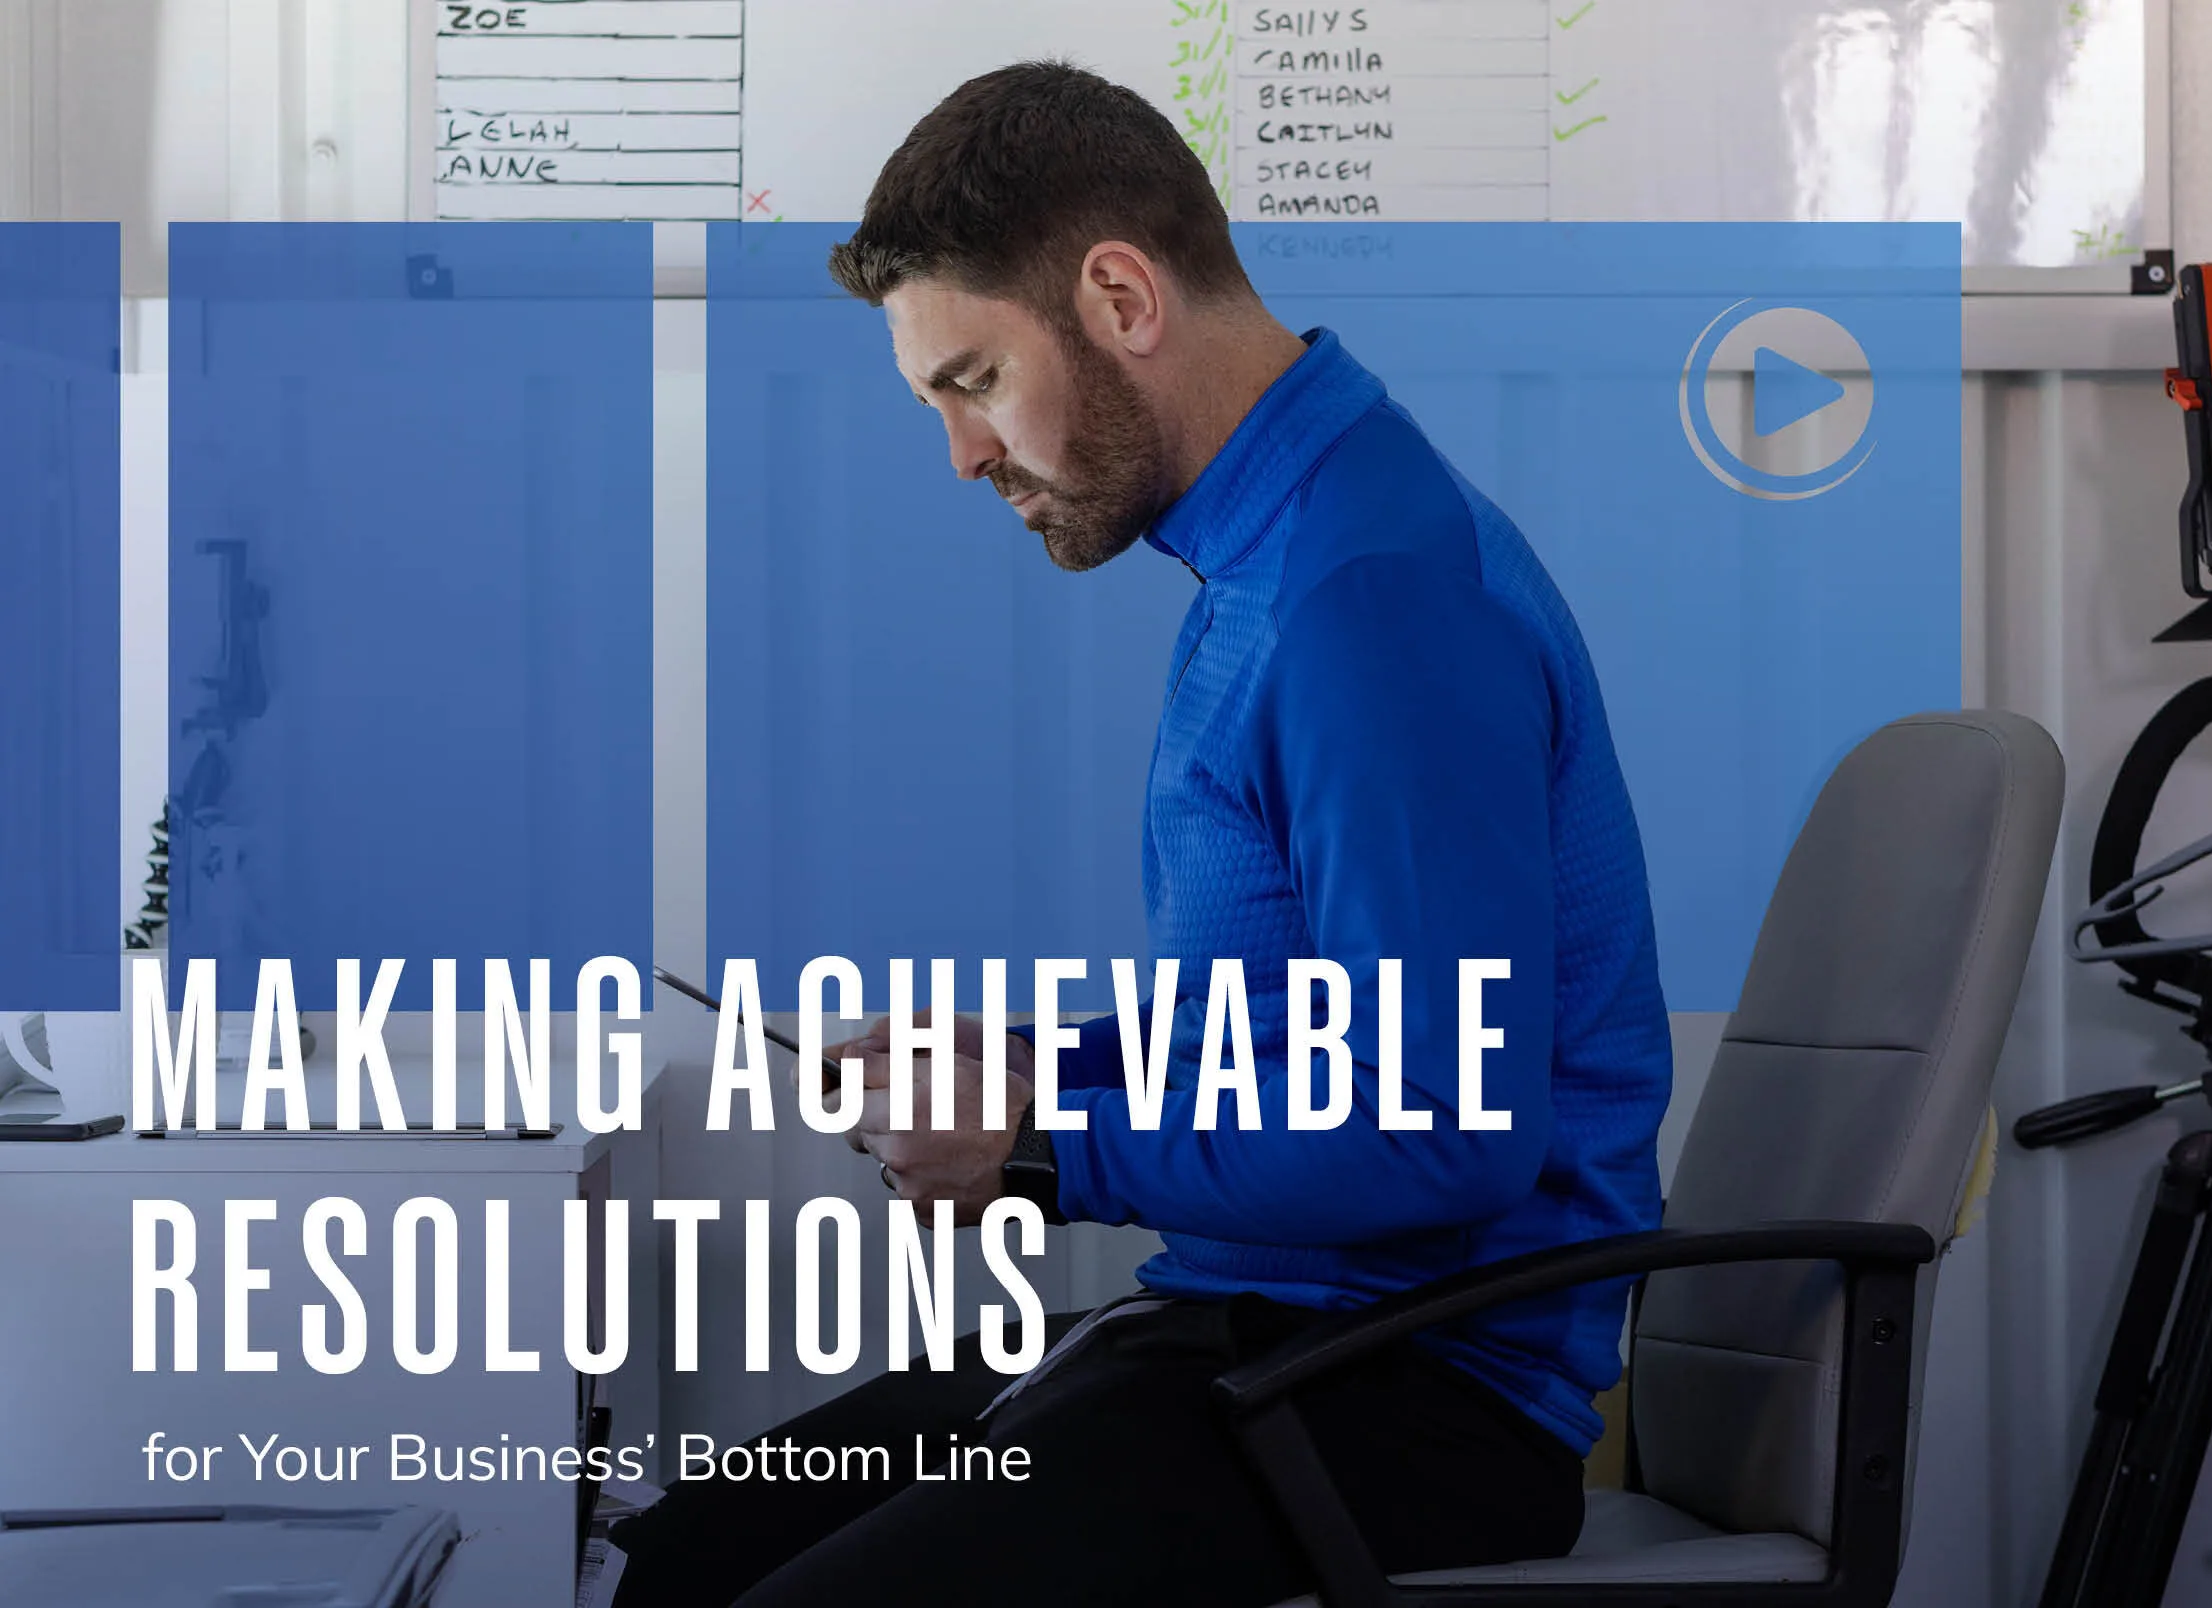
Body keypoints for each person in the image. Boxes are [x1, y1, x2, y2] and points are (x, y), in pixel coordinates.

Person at [610, 59, 1673, 1608]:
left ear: (1119, 296)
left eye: (972, 379)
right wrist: (1033, 1067)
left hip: (1405, 1401)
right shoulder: (1267, 550)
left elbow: (1446, 1122)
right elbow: (1297, 1028)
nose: (965, 455)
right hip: (1263, 1339)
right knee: (682, 1557)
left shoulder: (1364, 596)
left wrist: (1041, 1151)